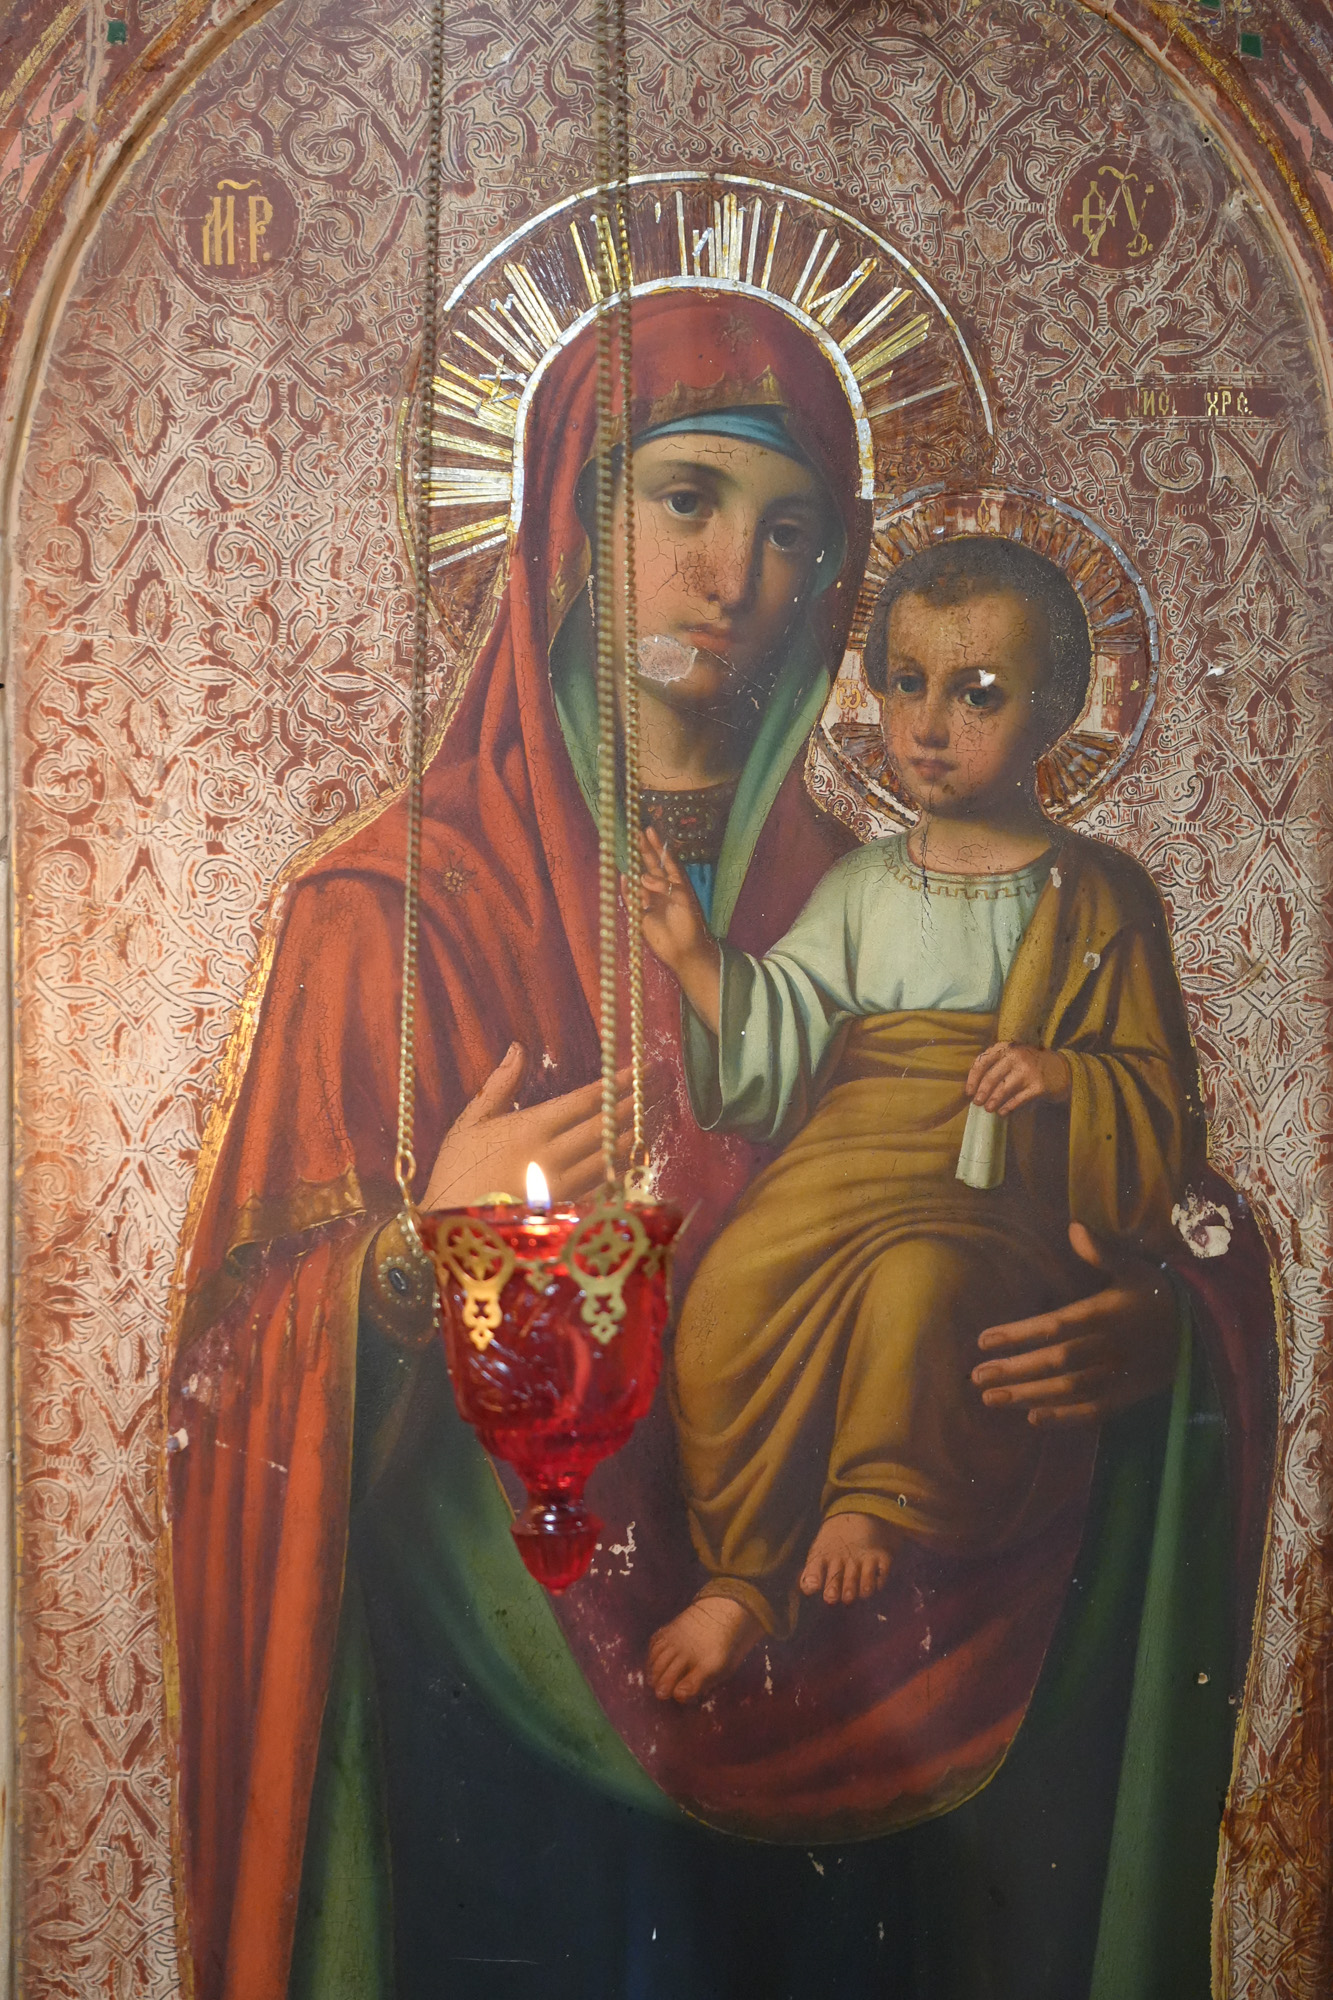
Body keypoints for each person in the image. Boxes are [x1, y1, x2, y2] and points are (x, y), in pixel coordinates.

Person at [163, 289, 1273, 2000]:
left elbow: (1143, 1224)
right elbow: (231, 1372)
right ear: (571, 527)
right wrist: (408, 1259)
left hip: (879, 1714)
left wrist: (1151, 1347)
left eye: (790, 531)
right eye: (685, 500)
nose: (734, 574)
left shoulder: (878, 898)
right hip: (500, 1752)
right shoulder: (389, 910)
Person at [639, 536, 1205, 1707]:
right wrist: (699, 961)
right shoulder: (862, 884)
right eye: (906, 683)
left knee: (920, 1284)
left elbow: (1153, 1094)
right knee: (727, 1295)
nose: (929, 724)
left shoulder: (1097, 896)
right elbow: (786, 1018)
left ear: (1053, 707)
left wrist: (1063, 1077)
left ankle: (873, 1497)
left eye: (976, 693)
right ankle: (742, 1574)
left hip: (989, 1183)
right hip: (847, 1153)